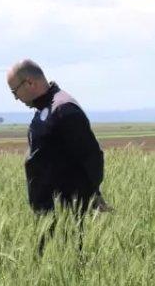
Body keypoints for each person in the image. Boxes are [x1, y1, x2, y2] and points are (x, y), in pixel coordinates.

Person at [6, 59, 105, 216]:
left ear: (30, 83)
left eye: (14, 91)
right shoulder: (44, 109)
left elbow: (92, 157)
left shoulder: (64, 109)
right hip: (50, 214)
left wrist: (90, 198)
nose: (16, 98)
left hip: (68, 214)